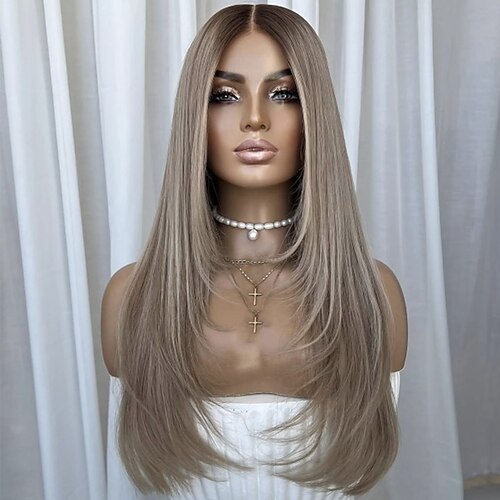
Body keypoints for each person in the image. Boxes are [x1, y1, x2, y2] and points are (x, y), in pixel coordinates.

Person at [100, 3, 408, 499]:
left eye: (283, 94)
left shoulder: (372, 295)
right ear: (195, 117)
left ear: (314, 114)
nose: (256, 119)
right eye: (224, 96)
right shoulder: (133, 296)